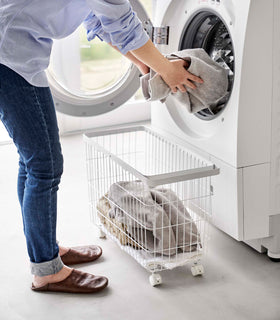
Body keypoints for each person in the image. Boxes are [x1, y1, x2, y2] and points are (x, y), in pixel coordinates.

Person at [0, 0, 203, 294]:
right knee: (44, 167)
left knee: (33, 162)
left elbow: (100, 21)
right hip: (8, 56)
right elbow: (124, 24)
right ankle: (47, 270)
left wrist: (143, 63)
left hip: (18, 53)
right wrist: (166, 69)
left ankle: (45, 249)